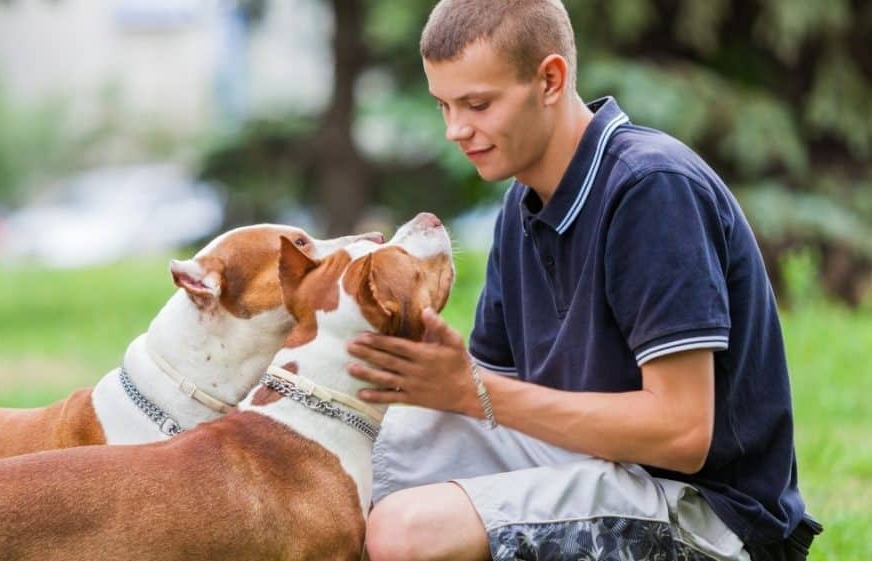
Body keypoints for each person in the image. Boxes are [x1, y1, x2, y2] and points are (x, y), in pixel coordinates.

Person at [346, 1, 812, 560]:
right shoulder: (522, 204)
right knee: (348, 454)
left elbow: (683, 432)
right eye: (443, 105)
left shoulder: (652, 188)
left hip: (708, 517)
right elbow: (496, 404)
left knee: (406, 531)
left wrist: (473, 392)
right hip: (585, 463)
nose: (455, 130)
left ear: (550, 79)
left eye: (477, 104)